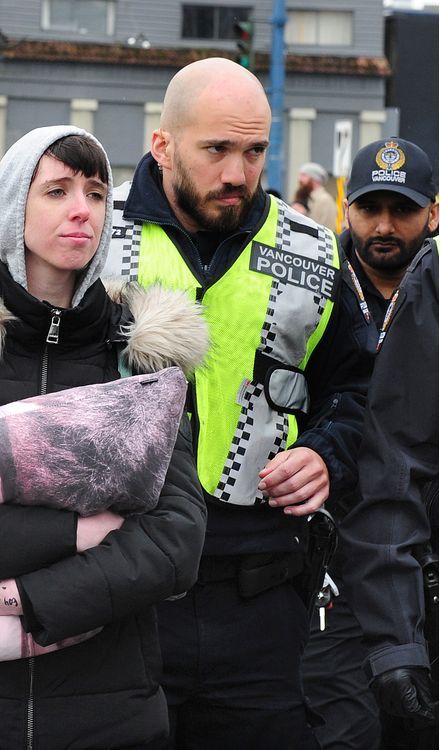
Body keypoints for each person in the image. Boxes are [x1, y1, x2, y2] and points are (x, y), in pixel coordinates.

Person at [0, 125, 208, 748]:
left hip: (102, 715)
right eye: (57, 191)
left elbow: (175, 538)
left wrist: (28, 599)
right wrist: (80, 532)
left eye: (96, 192)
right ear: (14, 205)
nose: (82, 210)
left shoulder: (143, 355)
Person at [102, 57, 370, 749]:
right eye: (216, 149)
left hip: (261, 601)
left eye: (254, 152)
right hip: (117, 589)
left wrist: (325, 452)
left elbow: (359, 386)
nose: (237, 173)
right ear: (163, 144)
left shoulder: (312, 251)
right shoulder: (94, 235)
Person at [302, 137, 439, 750]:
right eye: (368, 207)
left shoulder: (434, 293)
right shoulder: (308, 294)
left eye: (403, 210)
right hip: (326, 566)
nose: (384, 226)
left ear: (433, 214)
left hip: (419, 561)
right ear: (346, 209)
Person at [297, 161, 338, 231]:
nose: (299, 179)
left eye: (303, 175)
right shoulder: (306, 198)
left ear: (315, 179)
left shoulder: (325, 200)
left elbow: (326, 231)